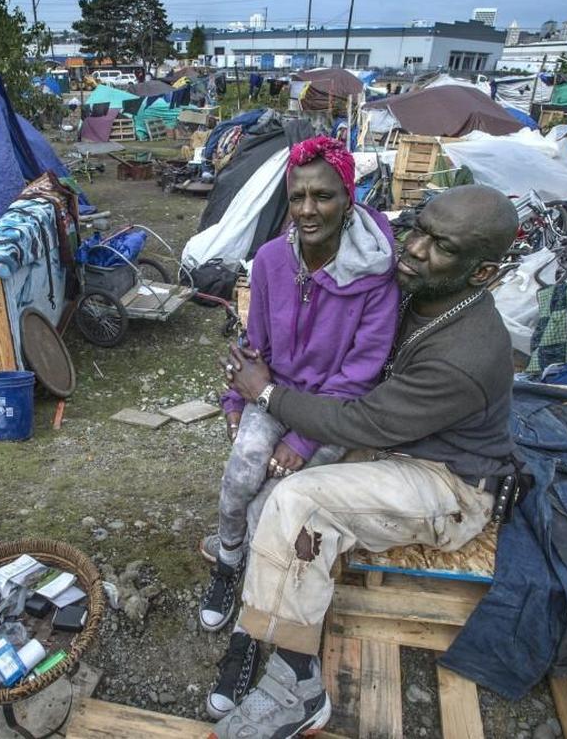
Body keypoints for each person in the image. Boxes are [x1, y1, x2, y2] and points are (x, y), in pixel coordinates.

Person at [211, 185, 521, 739]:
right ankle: (253, 611)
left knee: (297, 502)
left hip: (446, 482)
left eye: (441, 246)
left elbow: (361, 422)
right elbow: (347, 216)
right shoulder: (413, 288)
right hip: (396, 443)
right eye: (419, 228)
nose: (417, 248)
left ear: (482, 272)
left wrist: (265, 394)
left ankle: (296, 689)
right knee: (262, 491)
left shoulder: (468, 353)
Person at [201, 136, 400, 719]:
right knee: (241, 474)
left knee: (274, 508)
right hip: (272, 394)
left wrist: (303, 440)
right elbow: (254, 343)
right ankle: (228, 560)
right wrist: (234, 398)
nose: (309, 209)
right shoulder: (269, 261)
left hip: (332, 412)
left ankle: (248, 633)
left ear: (348, 197)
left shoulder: (375, 278)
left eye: (324, 196)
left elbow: (359, 376)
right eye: (298, 197)